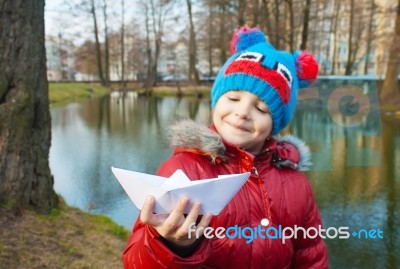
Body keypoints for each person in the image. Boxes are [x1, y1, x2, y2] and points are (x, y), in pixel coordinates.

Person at [123, 27, 328, 268]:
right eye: (233, 98)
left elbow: (311, 256)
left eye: (261, 108)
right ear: (216, 99)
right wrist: (171, 245)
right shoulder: (181, 171)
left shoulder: (297, 183)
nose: (242, 113)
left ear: (275, 124)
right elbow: (136, 261)